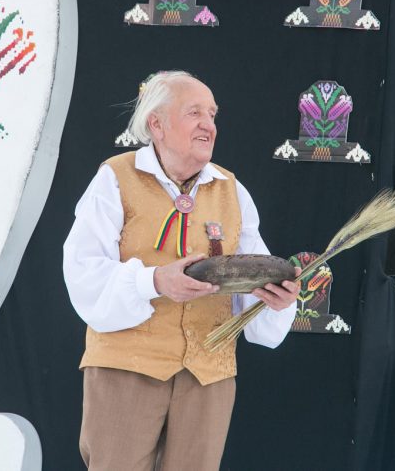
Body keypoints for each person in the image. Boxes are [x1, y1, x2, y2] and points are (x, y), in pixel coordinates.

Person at [64, 71, 299, 470]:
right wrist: (155, 281)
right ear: (156, 123)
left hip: (208, 376)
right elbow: (82, 271)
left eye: (212, 114)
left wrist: (277, 299)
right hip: (128, 368)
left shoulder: (232, 189)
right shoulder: (115, 178)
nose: (209, 124)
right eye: (194, 113)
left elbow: (253, 277)